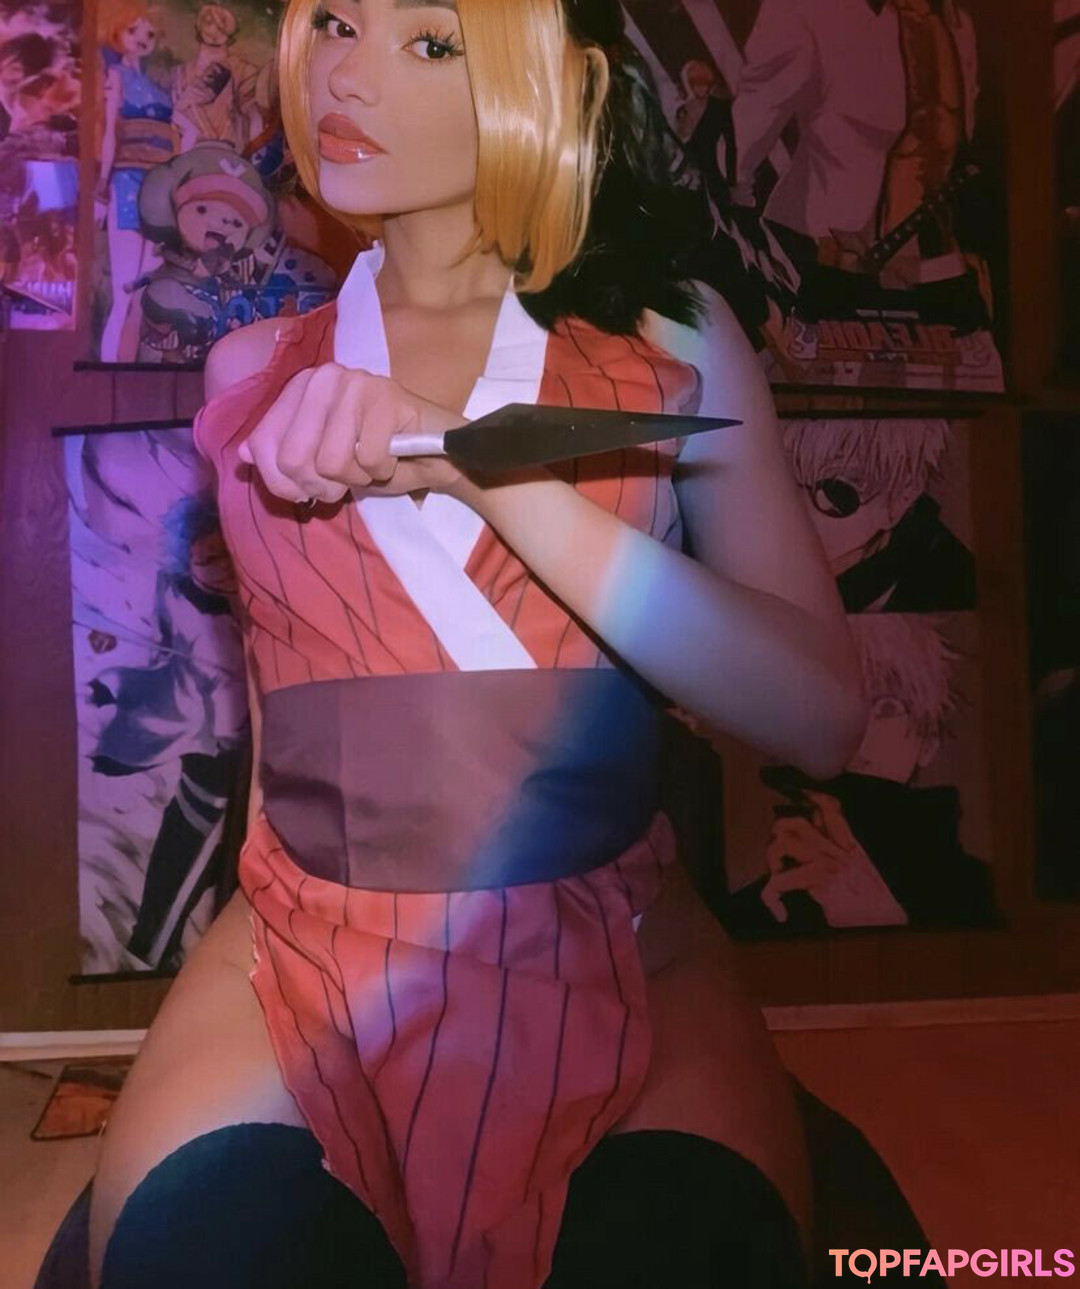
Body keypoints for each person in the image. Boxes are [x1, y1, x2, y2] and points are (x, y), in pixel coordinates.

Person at [88, 1, 867, 1287]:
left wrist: (477, 469)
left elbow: (820, 715)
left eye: (432, 42)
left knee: (682, 1246)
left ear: (558, 83)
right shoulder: (248, 371)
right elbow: (279, 723)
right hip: (299, 941)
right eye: (337, 22)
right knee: (206, 1247)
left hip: (616, 929)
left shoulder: (670, 338)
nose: (348, 76)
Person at [94, 3, 177, 361]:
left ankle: (129, 358)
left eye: (149, 33)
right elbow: (109, 133)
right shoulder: (116, 76)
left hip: (157, 185)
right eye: (134, 31)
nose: (142, 38)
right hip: (127, 181)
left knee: (146, 281)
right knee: (123, 286)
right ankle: (110, 362)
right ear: (118, 33)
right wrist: (103, 181)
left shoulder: (158, 86)